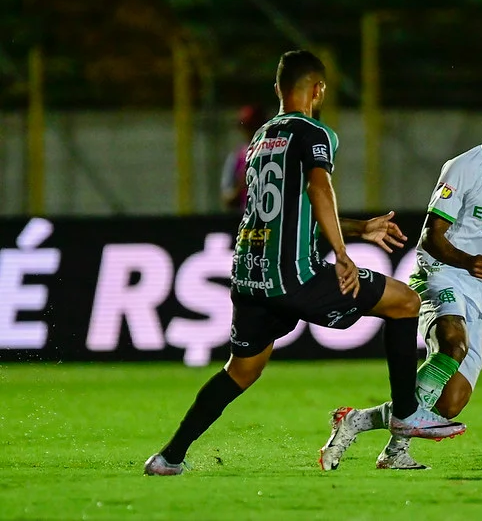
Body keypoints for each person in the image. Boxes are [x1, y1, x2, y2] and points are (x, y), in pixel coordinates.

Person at [144, 50, 465, 476]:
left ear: (278, 89)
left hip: (250, 275)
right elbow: (318, 188)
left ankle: (169, 456)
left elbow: (290, 215)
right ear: (319, 90)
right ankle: (407, 411)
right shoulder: (314, 132)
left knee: (241, 371)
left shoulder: (260, 138)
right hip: (294, 276)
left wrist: (359, 227)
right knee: (404, 302)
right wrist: (343, 253)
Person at [319, 80, 482, 470]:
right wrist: (465, 260)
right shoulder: (464, 168)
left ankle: (359, 424)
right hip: (442, 273)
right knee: (452, 345)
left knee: (452, 401)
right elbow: (431, 236)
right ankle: (397, 449)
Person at [220, 105, 268, 212]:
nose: (251, 131)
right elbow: (227, 198)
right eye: (248, 126)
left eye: (254, 126)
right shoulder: (237, 156)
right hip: (246, 218)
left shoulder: (275, 150)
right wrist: (241, 185)